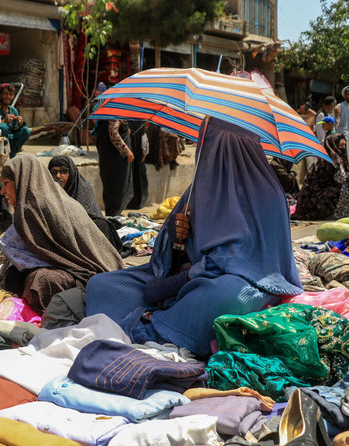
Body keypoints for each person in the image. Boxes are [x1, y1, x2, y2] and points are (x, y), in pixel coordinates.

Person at [85, 118, 302, 357]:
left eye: (210, 142)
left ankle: (167, 322)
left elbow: (262, 264)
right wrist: (179, 239)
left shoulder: (269, 194)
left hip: (237, 284)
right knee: (102, 285)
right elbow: (170, 257)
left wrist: (181, 280)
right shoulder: (201, 187)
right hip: (187, 278)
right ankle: (166, 317)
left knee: (227, 300)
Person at [0, 155, 123, 315]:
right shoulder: (52, 201)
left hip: (92, 280)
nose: (2, 191)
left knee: (38, 280)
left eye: (6, 183)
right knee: (16, 272)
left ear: (21, 181)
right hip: (104, 275)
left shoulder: (34, 210)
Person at [47, 155, 122, 251]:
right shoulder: (47, 189)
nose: (58, 176)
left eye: (63, 171)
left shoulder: (82, 188)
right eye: (53, 172)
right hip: (59, 229)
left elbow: (90, 216)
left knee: (101, 225)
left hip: (82, 228)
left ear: (72, 173)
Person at [95, 119, 149, 215]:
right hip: (115, 159)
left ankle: (115, 214)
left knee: (115, 187)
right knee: (117, 187)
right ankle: (114, 215)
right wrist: (126, 150)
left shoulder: (108, 117)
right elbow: (113, 133)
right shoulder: (113, 114)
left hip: (110, 158)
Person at [293, 134, 349, 220]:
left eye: (344, 145)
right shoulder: (333, 158)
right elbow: (341, 179)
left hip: (317, 195)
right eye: (340, 145)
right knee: (345, 188)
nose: (343, 148)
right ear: (333, 145)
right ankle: (338, 213)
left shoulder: (330, 157)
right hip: (313, 199)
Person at [0, 84, 31, 158]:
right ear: (0, 95)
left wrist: (20, 124)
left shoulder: (13, 110)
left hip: (10, 137)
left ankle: (14, 153)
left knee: (26, 130)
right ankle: (3, 153)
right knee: (3, 126)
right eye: (5, 94)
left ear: (13, 96)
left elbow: (15, 129)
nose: (8, 96)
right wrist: (3, 121)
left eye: (10, 94)